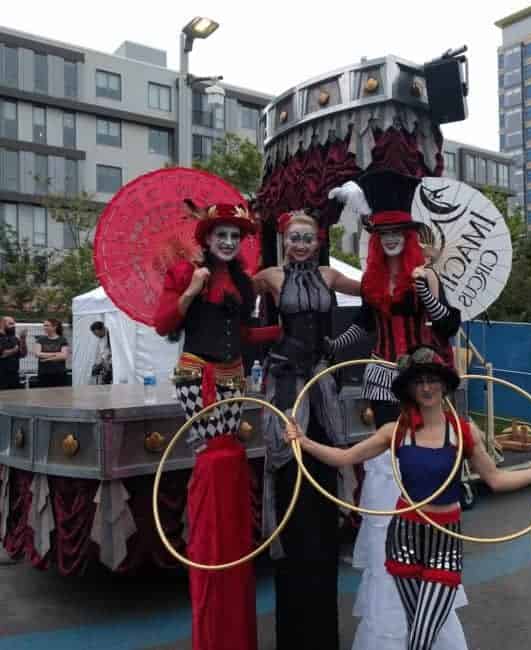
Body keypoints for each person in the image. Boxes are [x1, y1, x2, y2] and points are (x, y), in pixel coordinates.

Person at [286, 345, 531, 649]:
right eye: (418, 381)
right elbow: (344, 458)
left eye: (432, 379)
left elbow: (496, 479)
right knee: (415, 630)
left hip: (445, 540)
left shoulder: (463, 432)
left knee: (422, 637)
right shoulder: (394, 431)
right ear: (409, 389)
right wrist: (303, 442)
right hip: (405, 537)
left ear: (445, 384)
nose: (426, 387)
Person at [327, 170, 462, 649]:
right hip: (381, 377)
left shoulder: (425, 276)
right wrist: (331, 347)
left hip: (421, 376)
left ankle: (430, 520)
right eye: (381, 234)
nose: (387, 241)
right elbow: (362, 328)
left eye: (396, 234)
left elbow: (446, 327)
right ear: (374, 238)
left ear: (407, 237)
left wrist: (428, 294)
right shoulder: (370, 284)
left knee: (421, 452)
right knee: (384, 460)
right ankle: (390, 528)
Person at [154, 200, 279, 650]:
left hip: (234, 373)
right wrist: (191, 289)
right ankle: (212, 544)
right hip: (195, 372)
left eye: (234, 236)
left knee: (230, 453)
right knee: (214, 454)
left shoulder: (243, 284)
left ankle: (230, 543)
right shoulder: (187, 272)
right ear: (206, 239)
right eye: (220, 235)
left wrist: (285, 332)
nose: (228, 242)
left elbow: (245, 336)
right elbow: (164, 324)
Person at [253, 210, 360, 650]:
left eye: (307, 238)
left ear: (317, 241)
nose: (300, 244)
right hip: (284, 383)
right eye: (293, 238)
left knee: (324, 459)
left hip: (322, 383)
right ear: (283, 239)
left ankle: (325, 537)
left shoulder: (330, 276)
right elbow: (235, 305)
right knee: (287, 465)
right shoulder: (270, 276)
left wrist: (342, 344)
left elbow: (375, 296)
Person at [35, 319, 69, 388]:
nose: (45, 327)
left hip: (59, 373)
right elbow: (37, 354)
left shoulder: (62, 340)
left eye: (47, 325)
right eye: (44, 326)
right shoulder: (40, 339)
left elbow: (64, 356)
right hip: (44, 373)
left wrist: (47, 359)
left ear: (54, 327)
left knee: (59, 395)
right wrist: (56, 354)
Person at [0, 317, 27, 390]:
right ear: (2, 324)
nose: (14, 326)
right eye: (10, 324)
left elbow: (23, 354)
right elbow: (2, 354)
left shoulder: (14, 338)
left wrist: (23, 339)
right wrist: (14, 350)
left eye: (14, 324)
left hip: (14, 374)